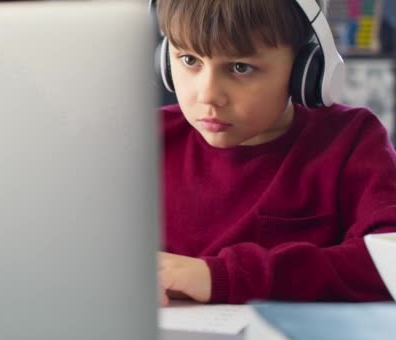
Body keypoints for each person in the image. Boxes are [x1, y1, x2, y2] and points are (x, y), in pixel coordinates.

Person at [156, 0, 396, 305]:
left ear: (305, 69)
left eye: (240, 67)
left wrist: (220, 276)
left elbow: (388, 261)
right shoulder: (146, 138)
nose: (208, 95)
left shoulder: (352, 141)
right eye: (189, 60)